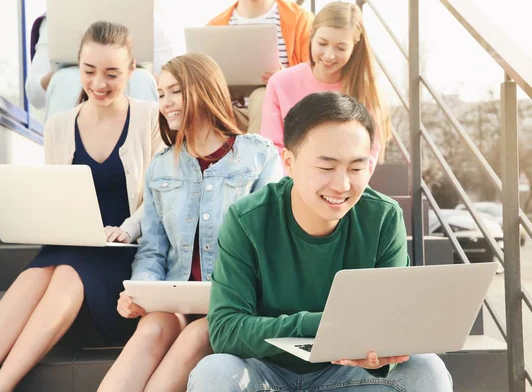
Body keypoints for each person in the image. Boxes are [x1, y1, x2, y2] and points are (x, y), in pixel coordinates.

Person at [0, 21, 165, 392]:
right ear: (76, 67)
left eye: (112, 73)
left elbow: (160, 197)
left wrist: (126, 227)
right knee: (34, 275)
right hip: (73, 239)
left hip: (121, 245)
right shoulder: (59, 125)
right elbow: (56, 193)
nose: (99, 84)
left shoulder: (149, 117)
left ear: (132, 71)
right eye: (88, 71)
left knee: (66, 273)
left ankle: (0, 385)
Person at [187, 92, 453, 391]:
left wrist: (383, 354)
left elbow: (392, 323)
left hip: (348, 376)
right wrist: (321, 325)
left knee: (426, 370)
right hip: (265, 375)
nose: (341, 185)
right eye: (326, 167)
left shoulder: (383, 217)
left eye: (356, 168)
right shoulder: (247, 219)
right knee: (215, 371)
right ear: (289, 161)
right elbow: (226, 330)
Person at [97, 53, 283, 392]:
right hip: (176, 298)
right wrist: (142, 291)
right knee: (151, 330)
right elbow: (153, 250)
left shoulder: (259, 157)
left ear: (203, 90)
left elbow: (271, 249)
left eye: (175, 92)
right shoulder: (161, 167)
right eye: (161, 94)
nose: (165, 104)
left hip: (235, 304)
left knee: (195, 337)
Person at [261, 1, 391, 167]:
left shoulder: (365, 90)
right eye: (322, 44)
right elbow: (272, 148)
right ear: (312, 36)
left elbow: (369, 153)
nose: (329, 55)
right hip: (290, 185)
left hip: (345, 186)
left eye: (341, 48)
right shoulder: (280, 83)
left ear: (354, 46)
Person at [25, 6, 178, 120]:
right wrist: (72, 68)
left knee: (142, 78)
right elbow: (34, 95)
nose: (100, 84)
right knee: (66, 78)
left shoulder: (151, 20)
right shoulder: (57, 18)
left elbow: (172, 86)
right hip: (68, 108)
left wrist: (124, 70)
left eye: (110, 73)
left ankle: (151, 160)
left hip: (137, 105)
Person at [208, 0, 313, 134]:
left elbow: (314, 75)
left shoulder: (300, 19)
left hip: (280, 109)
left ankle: (256, 152)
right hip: (230, 111)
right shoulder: (214, 26)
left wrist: (285, 78)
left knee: (262, 96)